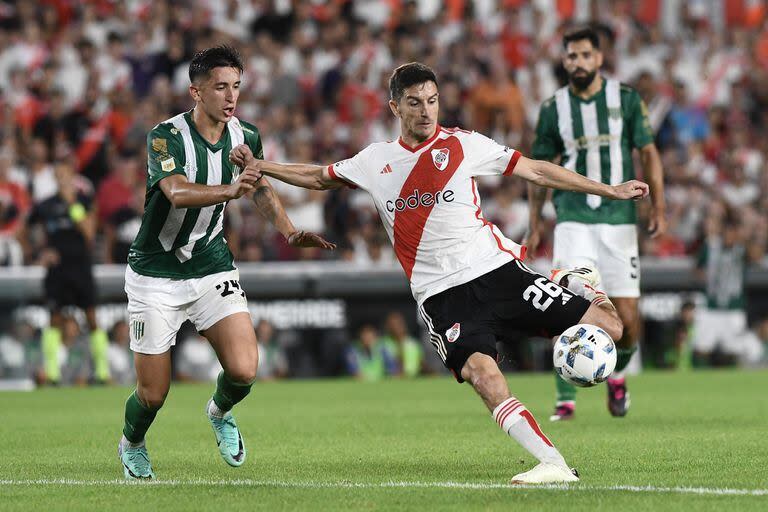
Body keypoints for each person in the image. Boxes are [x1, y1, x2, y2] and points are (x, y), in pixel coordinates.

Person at [230, 62, 649, 484]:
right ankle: (553, 464)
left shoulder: (464, 144)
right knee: (484, 377)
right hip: (442, 295)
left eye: (432, 101)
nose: (426, 111)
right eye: (414, 103)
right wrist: (263, 166)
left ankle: (578, 284)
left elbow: (536, 169)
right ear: (395, 107)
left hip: (498, 272)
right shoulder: (376, 161)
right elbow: (320, 177)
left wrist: (608, 189)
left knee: (612, 326)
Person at [118, 46, 335, 480]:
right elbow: (177, 192)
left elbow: (258, 188)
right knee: (153, 394)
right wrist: (231, 191)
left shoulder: (245, 136)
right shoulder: (165, 136)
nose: (231, 96)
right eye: (220, 87)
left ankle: (219, 412)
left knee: (244, 369)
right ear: (195, 91)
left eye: (236, 86)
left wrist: (289, 230)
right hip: (155, 274)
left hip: (212, 264)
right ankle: (132, 442)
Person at [526, 27, 666, 422]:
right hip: (572, 219)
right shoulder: (554, 107)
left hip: (619, 222)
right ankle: (564, 400)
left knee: (628, 321)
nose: (578, 62)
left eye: (585, 55)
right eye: (571, 56)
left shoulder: (624, 99)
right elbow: (540, 170)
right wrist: (536, 222)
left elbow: (648, 152)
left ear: (599, 59)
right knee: (565, 304)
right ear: (565, 60)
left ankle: (617, 376)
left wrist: (659, 204)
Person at [26, 161, 111, 387]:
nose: (62, 178)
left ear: (73, 176)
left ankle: (102, 372)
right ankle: (52, 374)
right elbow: (28, 227)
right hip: (57, 269)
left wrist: (72, 204)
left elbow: (89, 233)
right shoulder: (46, 205)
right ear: (55, 178)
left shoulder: (83, 201)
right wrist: (39, 253)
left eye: (65, 174)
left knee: (92, 317)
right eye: (58, 175)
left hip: (81, 267)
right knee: (54, 319)